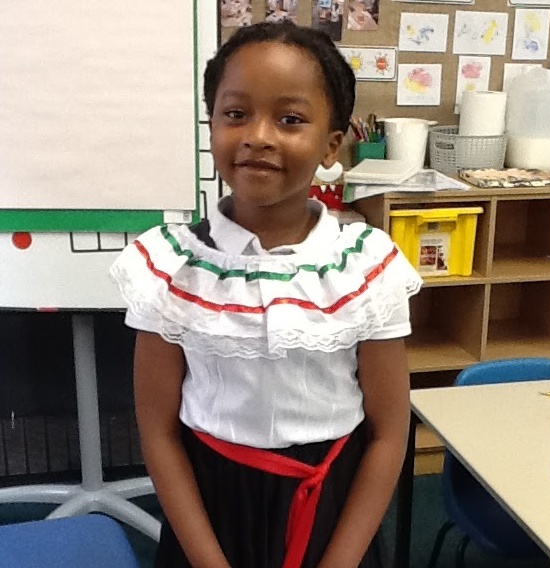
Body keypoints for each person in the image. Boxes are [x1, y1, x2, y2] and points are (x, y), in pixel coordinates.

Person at [110, 21, 422, 568]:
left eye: (290, 119)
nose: (259, 134)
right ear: (212, 126)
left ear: (331, 144)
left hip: (331, 510)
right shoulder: (172, 268)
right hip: (210, 513)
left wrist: (340, 561)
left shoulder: (367, 269)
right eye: (236, 113)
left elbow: (388, 434)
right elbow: (158, 433)